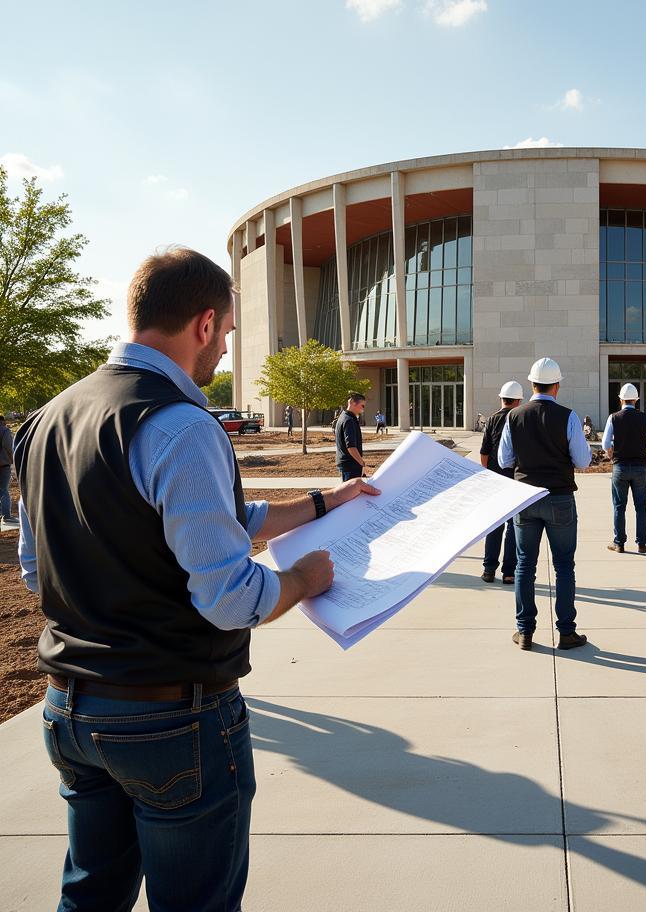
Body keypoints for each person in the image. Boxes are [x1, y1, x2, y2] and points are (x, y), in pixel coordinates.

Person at [12, 247, 380, 911]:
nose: (225, 351)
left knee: (89, 896)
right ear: (204, 325)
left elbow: (39, 569)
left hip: (70, 708)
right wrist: (300, 579)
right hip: (170, 718)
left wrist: (329, 500)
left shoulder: (47, 418)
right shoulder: (181, 425)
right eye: (229, 334)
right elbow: (229, 598)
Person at [499, 357, 591, 652]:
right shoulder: (569, 417)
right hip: (560, 497)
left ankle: (525, 631)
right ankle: (566, 632)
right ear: (557, 386)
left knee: (525, 564)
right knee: (565, 565)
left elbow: (504, 460)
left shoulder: (514, 416)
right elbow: (583, 460)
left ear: (531, 384)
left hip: (526, 498)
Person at [602, 383, 646, 554]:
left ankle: (619, 543)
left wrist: (611, 455)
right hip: (639, 468)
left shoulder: (613, 418)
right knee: (641, 507)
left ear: (620, 400)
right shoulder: (645, 418)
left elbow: (606, 443)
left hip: (620, 467)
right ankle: (642, 544)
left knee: (619, 507)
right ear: (636, 400)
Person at [478, 381, 523, 584]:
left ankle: (489, 570)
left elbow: (484, 452)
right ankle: (509, 572)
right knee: (514, 527)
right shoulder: (521, 419)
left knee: (495, 526)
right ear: (519, 400)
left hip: (496, 480)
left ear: (501, 398)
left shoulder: (492, 420)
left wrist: (488, 475)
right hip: (515, 479)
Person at [335, 392, 368, 480]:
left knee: (348, 491)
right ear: (353, 403)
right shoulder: (349, 420)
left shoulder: (343, 416)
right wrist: (361, 463)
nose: (362, 410)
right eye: (362, 406)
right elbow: (351, 446)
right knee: (350, 492)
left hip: (346, 463)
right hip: (350, 464)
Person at [0, 413, 16, 530]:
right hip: (3, 463)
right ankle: (6, 515)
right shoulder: (4, 431)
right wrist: (11, 459)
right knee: (4, 490)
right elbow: (8, 446)